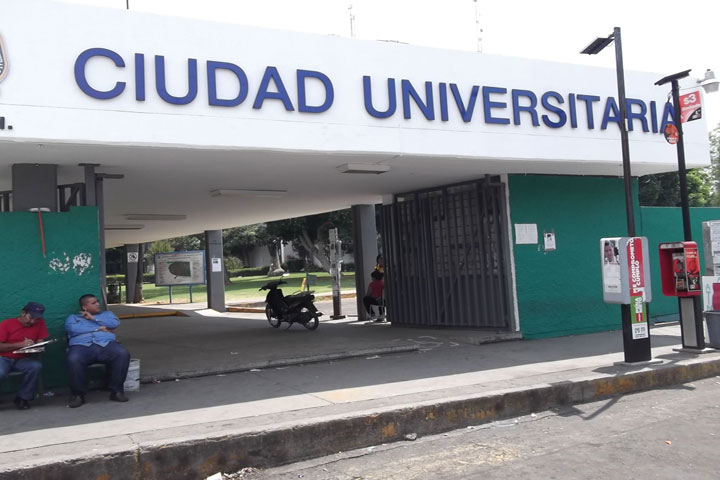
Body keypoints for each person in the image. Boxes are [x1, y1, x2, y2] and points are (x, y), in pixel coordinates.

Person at [65, 294, 131, 408]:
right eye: (93, 303)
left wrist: (93, 318)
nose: (97, 304)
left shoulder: (107, 315)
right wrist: (98, 328)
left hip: (105, 344)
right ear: (85, 307)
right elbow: (73, 329)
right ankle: (78, 395)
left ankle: (117, 391)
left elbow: (114, 324)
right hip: (82, 346)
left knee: (122, 354)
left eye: (97, 302)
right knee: (73, 359)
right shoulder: (73, 318)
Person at [0, 302, 49, 410]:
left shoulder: (39, 323)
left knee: (35, 366)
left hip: (22, 358)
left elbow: (40, 341)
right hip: (3, 358)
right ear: (23, 313)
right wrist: (20, 344)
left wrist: (38, 347)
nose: (33, 321)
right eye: (30, 318)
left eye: (36, 319)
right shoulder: (6, 324)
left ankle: (23, 398)